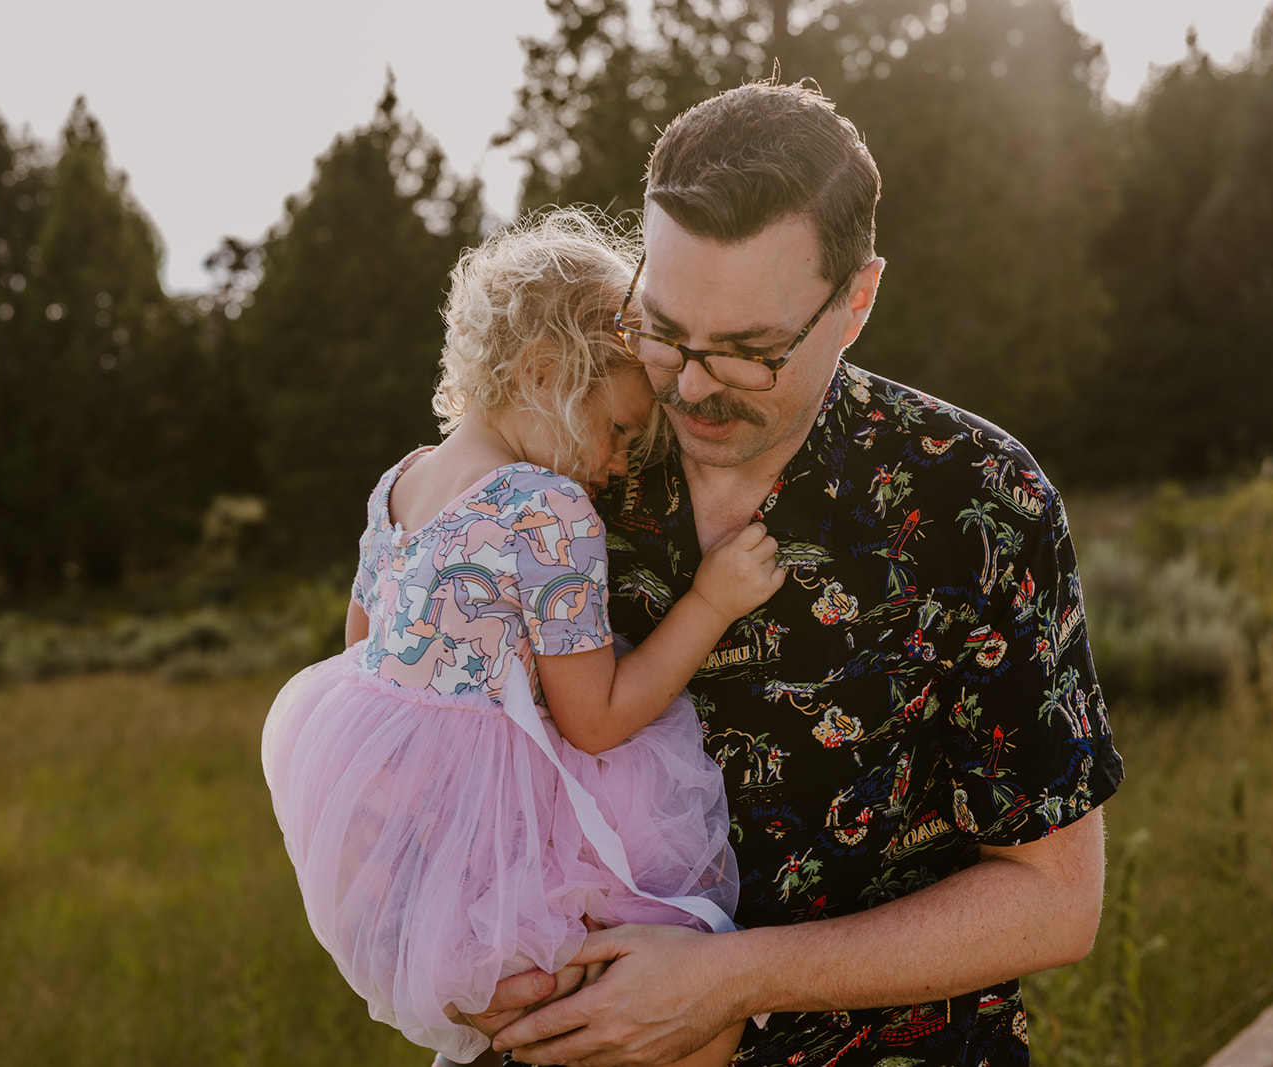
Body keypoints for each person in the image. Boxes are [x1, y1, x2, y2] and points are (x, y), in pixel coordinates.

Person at [471, 80, 1125, 1067]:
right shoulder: (556, 457)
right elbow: (406, 727)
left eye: (746, 353)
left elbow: (1053, 900)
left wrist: (728, 979)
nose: (687, 385)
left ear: (854, 301)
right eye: (664, 327)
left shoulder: (976, 498)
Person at [261, 209, 788, 1066]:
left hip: (421, 858)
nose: (619, 464)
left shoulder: (397, 486)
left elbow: (358, 656)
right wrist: (711, 600)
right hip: (503, 841)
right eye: (618, 429)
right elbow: (596, 718)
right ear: (547, 370)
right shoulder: (543, 509)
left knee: (517, 1024)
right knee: (699, 1017)